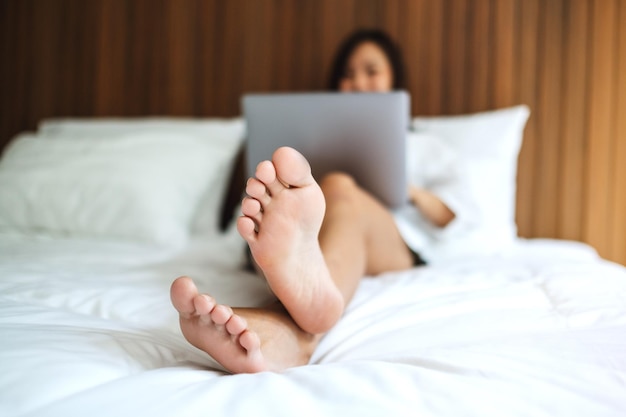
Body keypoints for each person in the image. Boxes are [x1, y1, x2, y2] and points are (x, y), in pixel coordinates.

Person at [170, 29, 470, 374]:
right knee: (294, 212)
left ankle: (300, 288)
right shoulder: (309, 132)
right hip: (315, 229)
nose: (357, 81)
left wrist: (409, 189)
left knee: (339, 187)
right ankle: (286, 334)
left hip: (388, 238)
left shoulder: (424, 144)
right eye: (347, 73)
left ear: (395, 78)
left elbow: (455, 217)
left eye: (371, 71)